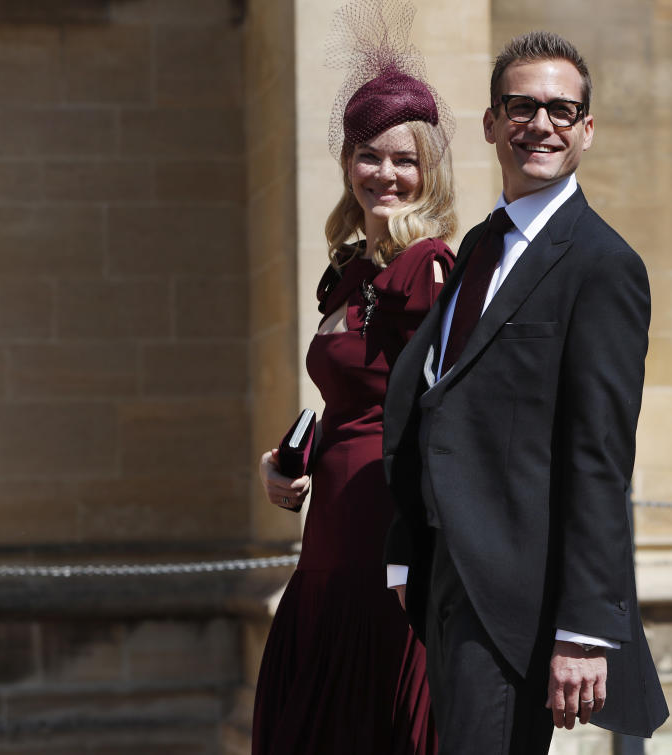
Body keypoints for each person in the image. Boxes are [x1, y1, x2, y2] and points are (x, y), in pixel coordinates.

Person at [382, 31, 669, 754]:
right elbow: (439, 399)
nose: (541, 124)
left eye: (562, 111)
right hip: (449, 578)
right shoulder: (482, 244)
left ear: (587, 130)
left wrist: (584, 630)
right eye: (522, 106)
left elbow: (599, 456)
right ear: (490, 122)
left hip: (521, 597)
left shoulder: (604, 266)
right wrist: (405, 550)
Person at [251, 2, 456, 753]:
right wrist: (284, 462)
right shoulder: (347, 271)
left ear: (428, 169)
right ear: (346, 163)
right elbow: (349, 398)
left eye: (406, 159)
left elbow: (441, 410)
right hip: (328, 534)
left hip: (382, 534)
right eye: (370, 155)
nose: (387, 174)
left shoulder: (424, 267)